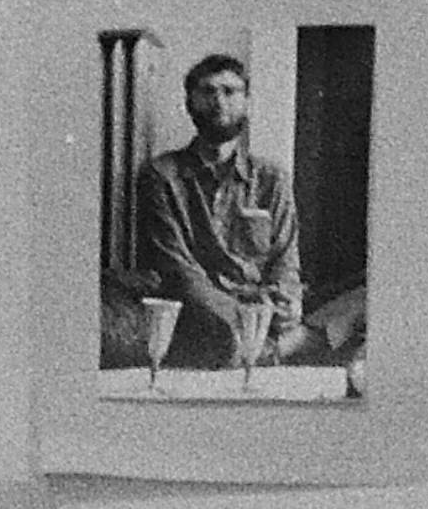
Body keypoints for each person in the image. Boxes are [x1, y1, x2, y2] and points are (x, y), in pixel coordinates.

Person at [111, 51, 310, 370]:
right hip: (199, 313)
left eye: (230, 91)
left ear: (247, 103)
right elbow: (178, 269)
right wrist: (240, 318)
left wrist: (289, 303)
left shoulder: (272, 179)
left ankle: (272, 346)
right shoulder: (161, 176)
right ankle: (277, 349)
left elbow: (286, 259)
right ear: (189, 103)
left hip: (261, 311)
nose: (219, 101)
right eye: (207, 91)